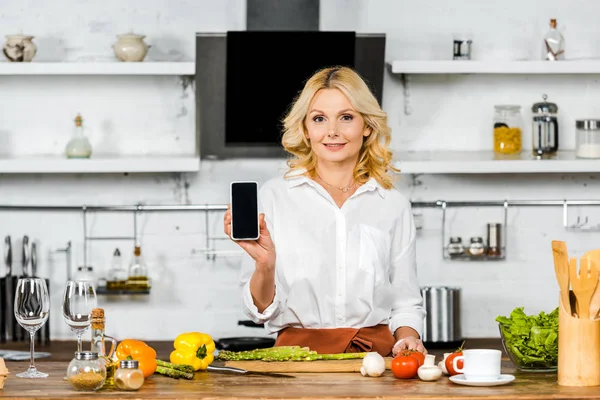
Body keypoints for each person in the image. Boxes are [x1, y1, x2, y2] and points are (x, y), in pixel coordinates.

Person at [223, 66, 426, 357]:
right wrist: (264, 265)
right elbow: (260, 311)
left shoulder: (392, 203)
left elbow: (406, 303)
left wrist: (409, 338)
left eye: (346, 117)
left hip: (376, 361)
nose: (332, 131)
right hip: (296, 361)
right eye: (319, 119)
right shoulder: (274, 196)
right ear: (306, 128)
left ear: (366, 126)